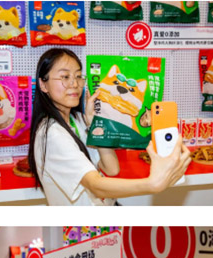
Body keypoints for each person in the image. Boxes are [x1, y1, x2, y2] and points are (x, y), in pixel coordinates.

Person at [28, 49, 191, 206]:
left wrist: (95, 123)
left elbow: (111, 169)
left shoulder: (76, 120)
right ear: (43, 84)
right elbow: (95, 185)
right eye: (65, 76)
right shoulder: (52, 134)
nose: (75, 83)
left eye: (78, 76)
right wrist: (152, 184)